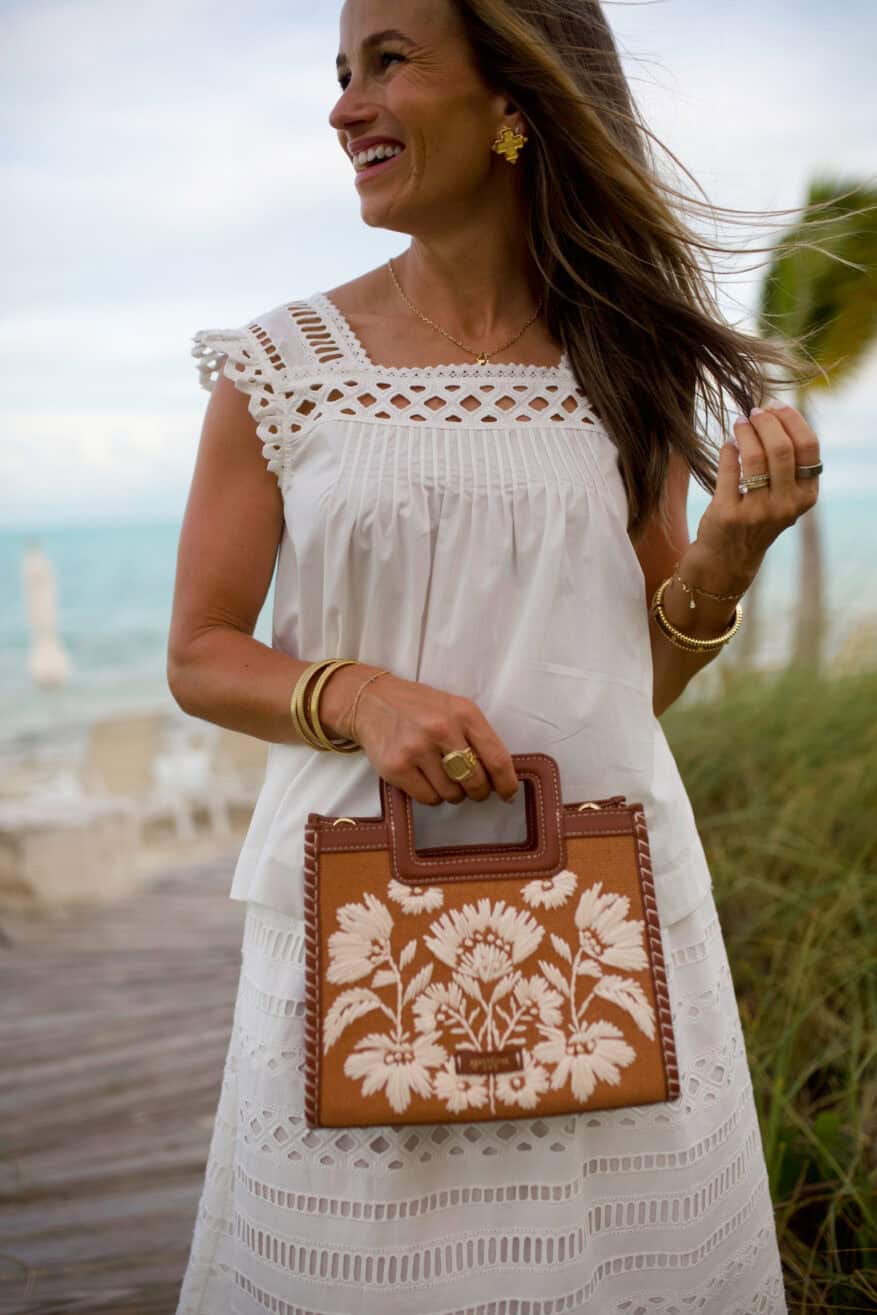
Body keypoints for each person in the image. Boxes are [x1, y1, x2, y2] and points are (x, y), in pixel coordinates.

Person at [169, 2, 823, 1310]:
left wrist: (724, 557)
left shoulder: (620, 360)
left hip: (606, 915)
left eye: (387, 63)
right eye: (340, 73)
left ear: (516, 99)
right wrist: (352, 694)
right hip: (360, 925)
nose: (345, 106)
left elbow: (634, 679)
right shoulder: (280, 368)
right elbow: (196, 653)